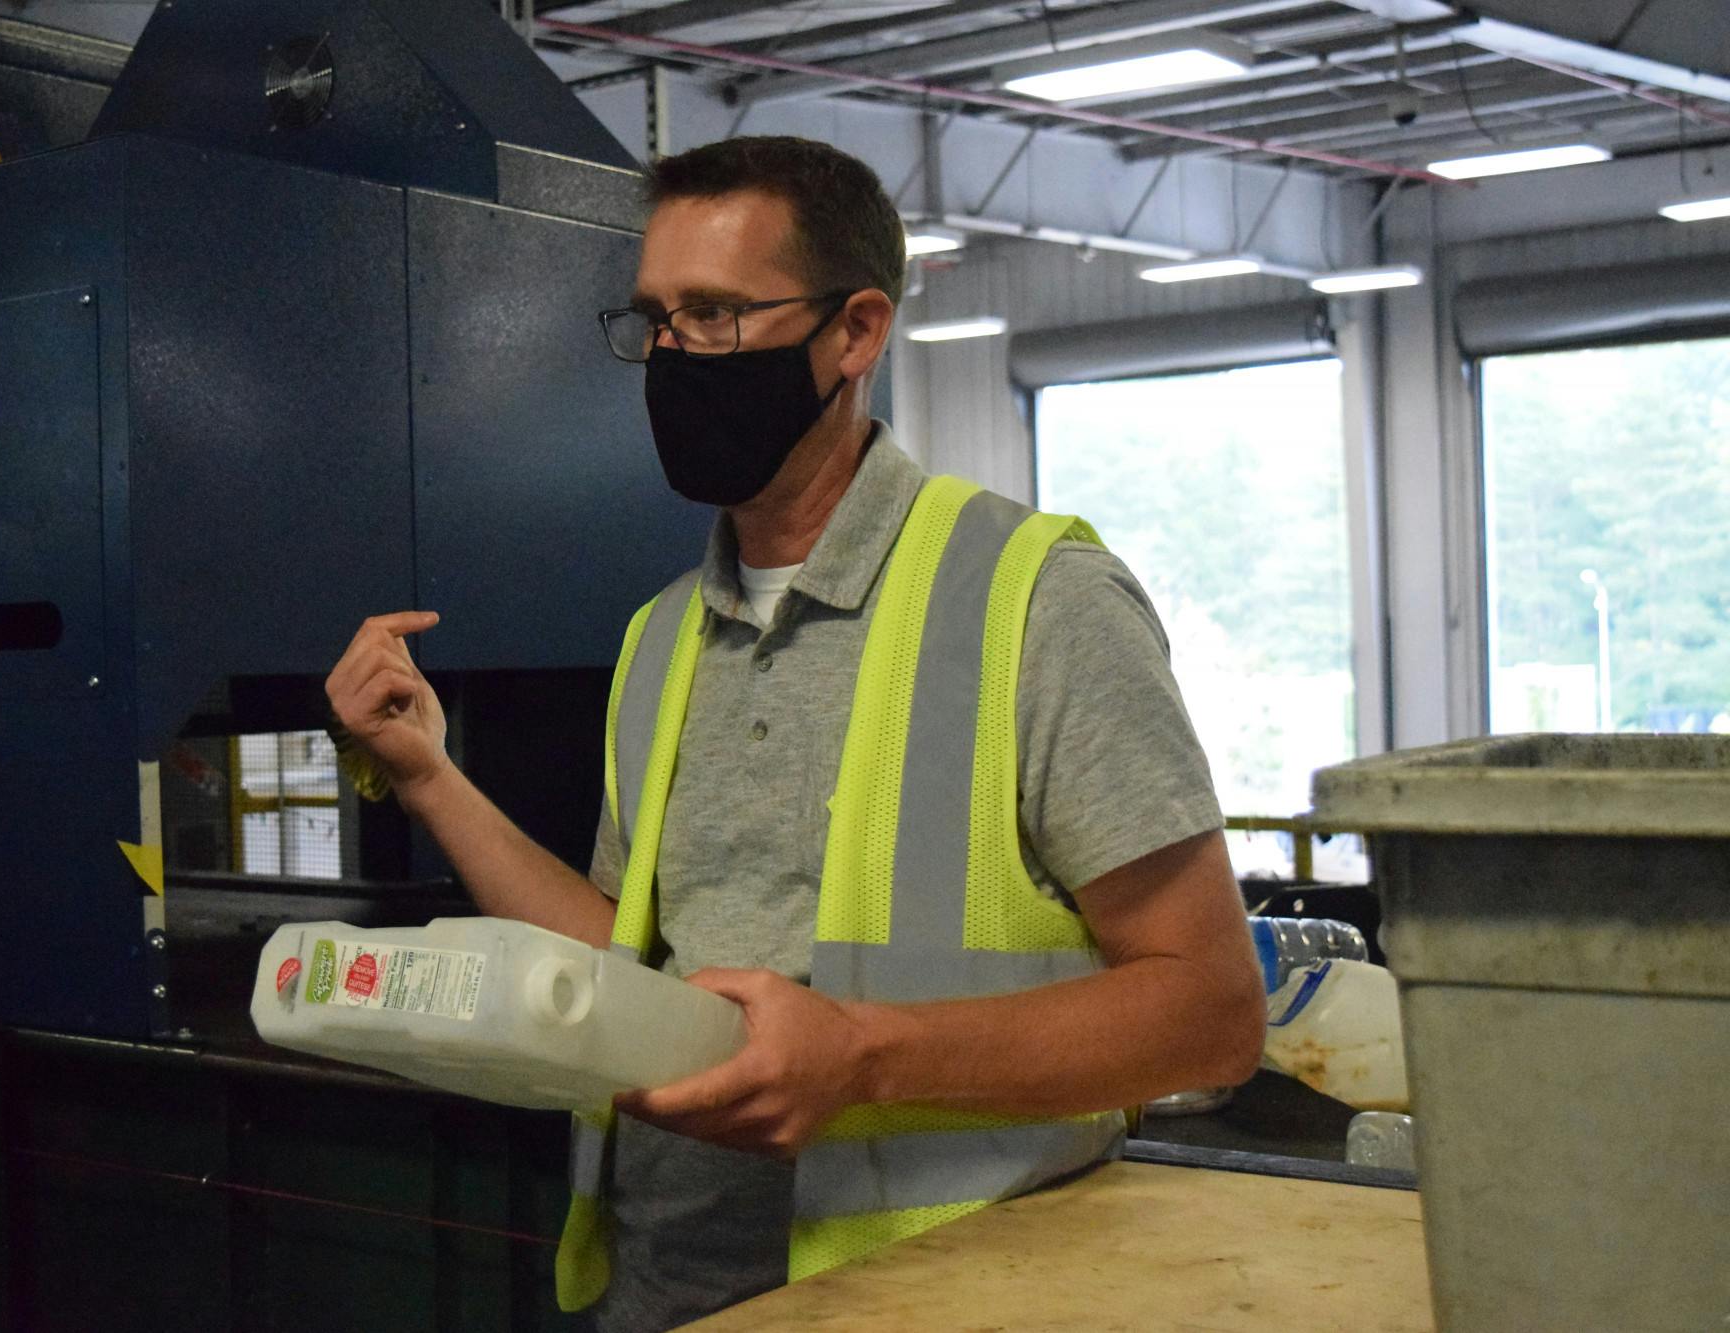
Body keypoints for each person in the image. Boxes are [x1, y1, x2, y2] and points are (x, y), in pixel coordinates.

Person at [326, 135, 1266, 1332]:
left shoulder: (1039, 600)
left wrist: (859, 1060)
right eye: (654, 319)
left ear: (855, 333)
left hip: (947, 1295)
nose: (673, 354)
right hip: (669, 1290)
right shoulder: (662, 636)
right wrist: (428, 774)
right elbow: (631, 968)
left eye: (715, 315)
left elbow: (1208, 1008)